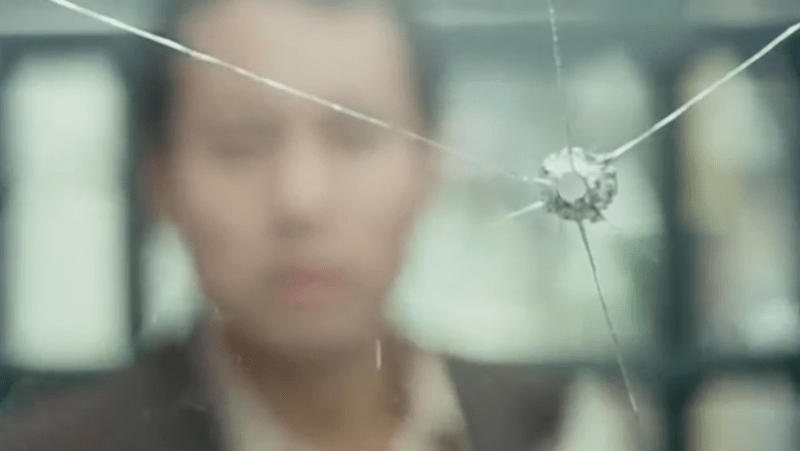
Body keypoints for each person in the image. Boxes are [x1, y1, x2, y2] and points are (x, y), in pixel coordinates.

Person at [0, 0, 568, 449]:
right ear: (160, 180)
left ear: (432, 161)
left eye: (355, 137)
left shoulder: (564, 431)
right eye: (241, 142)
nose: (301, 200)